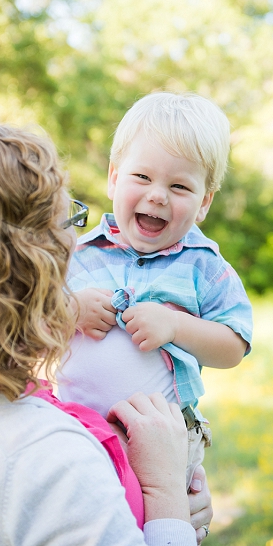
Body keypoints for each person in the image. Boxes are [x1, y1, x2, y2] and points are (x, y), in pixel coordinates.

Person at [0, 125, 206, 546]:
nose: (76, 241)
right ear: (35, 266)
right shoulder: (51, 463)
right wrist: (166, 499)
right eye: (68, 222)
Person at [63, 93, 253, 495]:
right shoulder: (79, 255)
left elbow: (234, 346)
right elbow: (30, 326)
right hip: (76, 429)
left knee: (159, 534)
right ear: (114, 177)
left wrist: (177, 325)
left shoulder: (204, 266)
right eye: (143, 177)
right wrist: (70, 308)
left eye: (180, 186)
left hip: (163, 440)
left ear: (203, 203)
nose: (158, 196)